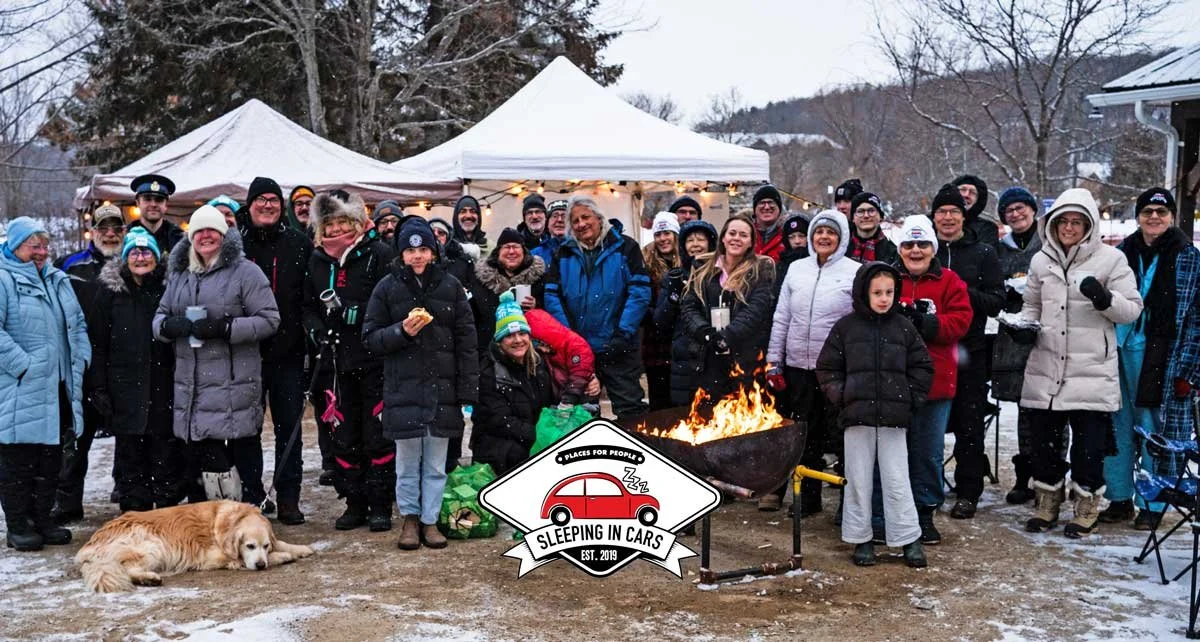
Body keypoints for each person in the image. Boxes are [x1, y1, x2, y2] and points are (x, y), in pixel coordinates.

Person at [1016, 188, 1142, 538]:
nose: (1069, 228)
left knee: (1090, 448)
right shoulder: (1041, 260)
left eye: (1077, 222)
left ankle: (1086, 508)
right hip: (1047, 366)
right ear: (1052, 224)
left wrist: (1104, 298)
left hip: (1091, 370)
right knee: (1044, 444)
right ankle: (1047, 504)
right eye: (1063, 221)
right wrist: (1025, 328)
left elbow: (1131, 309)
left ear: (1089, 225)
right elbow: (1032, 305)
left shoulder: (1111, 260)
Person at [363, 218, 478, 551]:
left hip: (442, 389)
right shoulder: (387, 287)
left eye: (423, 249)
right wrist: (402, 331)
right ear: (402, 253)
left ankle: (430, 520)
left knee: (436, 464)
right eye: (411, 250)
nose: (417, 256)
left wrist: (467, 391)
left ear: (434, 251)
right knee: (406, 463)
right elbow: (370, 337)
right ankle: (409, 520)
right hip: (404, 390)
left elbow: (467, 343)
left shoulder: (451, 286)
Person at [154, 206, 280, 505]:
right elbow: (158, 316)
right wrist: (169, 326)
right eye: (199, 231)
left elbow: (270, 319)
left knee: (241, 452)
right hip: (192, 385)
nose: (206, 236)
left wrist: (226, 328)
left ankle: (250, 512)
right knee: (201, 458)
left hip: (232, 383)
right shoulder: (181, 275)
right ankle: (207, 519)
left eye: (213, 230)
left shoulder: (246, 272)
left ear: (224, 236)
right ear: (191, 237)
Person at [817, 261, 934, 568]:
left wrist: (910, 397)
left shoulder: (904, 327)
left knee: (897, 478)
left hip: (895, 417)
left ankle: (908, 538)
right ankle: (861, 538)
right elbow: (827, 368)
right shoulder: (846, 328)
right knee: (858, 478)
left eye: (889, 292)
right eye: (877, 292)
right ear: (863, 293)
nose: (884, 298)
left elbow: (922, 366)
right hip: (857, 417)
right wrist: (842, 396)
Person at [1103, 188, 1200, 528]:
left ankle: (1152, 503)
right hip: (1118, 345)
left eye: (1161, 212)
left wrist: (1190, 368)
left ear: (1172, 217)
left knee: (1151, 428)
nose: (1154, 217)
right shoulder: (1121, 252)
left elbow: (1196, 318)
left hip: (1162, 352)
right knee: (1115, 423)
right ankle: (1118, 497)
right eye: (1147, 212)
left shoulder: (1188, 255)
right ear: (1139, 216)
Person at [303, 192, 397, 532]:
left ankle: (380, 503)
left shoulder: (379, 254)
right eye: (330, 223)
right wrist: (316, 331)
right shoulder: (316, 259)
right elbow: (307, 305)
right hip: (334, 364)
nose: (337, 228)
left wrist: (360, 312)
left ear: (356, 223)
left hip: (373, 361)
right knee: (343, 436)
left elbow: (390, 299)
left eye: (343, 222)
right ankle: (354, 501)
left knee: (377, 435)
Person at [881, 215, 972, 546]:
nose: (915, 251)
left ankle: (924, 511)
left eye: (922, 244)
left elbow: (962, 321)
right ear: (900, 248)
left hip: (935, 382)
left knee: (927, 451)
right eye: (908, 244)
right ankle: (890, 511)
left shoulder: (950, 281)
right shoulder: (888, 277)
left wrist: (927, 324)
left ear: (933, 248)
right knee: (891, 450)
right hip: (893, 381)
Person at [0, 217, 89, 551]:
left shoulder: (57, 279)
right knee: (19, 459)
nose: (40, 252)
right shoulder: (5, 279)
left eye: (43, 246)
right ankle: (19, 524)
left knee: (51, 457)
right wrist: (23, 365)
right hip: (21, 386)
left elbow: (76, 323)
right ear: (15, 246)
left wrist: (81, 357)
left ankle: (43, 518)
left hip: (58, 384)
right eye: (32, 245)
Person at [767, 210, 859, 513]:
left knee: (841, 434)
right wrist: (774, 361)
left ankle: (849, 503)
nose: (824, 237)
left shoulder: (854, 271)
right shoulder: (797, 269)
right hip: (797, 367)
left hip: (835, 368)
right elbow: (782, 318)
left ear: (842, 237)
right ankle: (807, 498)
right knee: (804, 434)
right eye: (819, 232)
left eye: (831, 232)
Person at [236, 176, 313, 524]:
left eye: (273, 200)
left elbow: (308, 295)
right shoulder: (234, 244)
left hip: (288, 353)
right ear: (249, 204)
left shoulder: (297, 243)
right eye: (260, 200)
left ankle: (288, 497)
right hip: (245, 353)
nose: (267, 205)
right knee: (247, 427)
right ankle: (252, 494)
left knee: (289, 428)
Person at [87, 229, 181, 512]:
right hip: (125, 391)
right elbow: (98, 344)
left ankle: (166, 518)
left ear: (156, 256)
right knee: (130, 458)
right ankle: (134, 515)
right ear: (126, 259)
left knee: (164, 457)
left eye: (147, 252)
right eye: (135, 253)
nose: (141, 258)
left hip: (163, 386)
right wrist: (99, 386)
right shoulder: (110, 294)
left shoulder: (169, 290)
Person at [930, 183, 1005, 519]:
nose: (948, 217)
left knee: (969, 423)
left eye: (954, 212)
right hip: (929, 350)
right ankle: (925, 486)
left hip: (969, 350)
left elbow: (997, 301)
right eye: (942, 212)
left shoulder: (983, 253)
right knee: (926, 423)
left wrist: (960, 291)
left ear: (964, 217)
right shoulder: (922, 249)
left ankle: (968, 491)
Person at [50, 203, 126, 524]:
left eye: (116, 228)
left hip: (123, 365)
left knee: (130, 433)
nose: (110, 234)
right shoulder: (69, 265)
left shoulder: (136, 259)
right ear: (92, 231)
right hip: (81, 365)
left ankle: (128, 491)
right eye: (103, 228)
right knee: (75, 436)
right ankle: (67, 501)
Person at [544, 195, 651, 420]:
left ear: (599, 218)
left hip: (619, 344)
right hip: (579, 348)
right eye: (575, 221)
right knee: (582, 412)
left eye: (586, 217)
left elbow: (639, 291)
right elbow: (552, 296)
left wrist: (624, 332)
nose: (581, 224)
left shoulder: (625, 247)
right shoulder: (563, 253)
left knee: (630, 408)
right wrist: (569, 337)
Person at [990, 186, 1052, 505]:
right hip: (1012, 336)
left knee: (1051, 409)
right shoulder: (1000, 250)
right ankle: (1025, 475)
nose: (1016, 214)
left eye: (1020, 208)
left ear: (1032, 210)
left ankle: (1050, 478)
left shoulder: (1049, 243)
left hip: (1048, 334)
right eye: (1009, 210)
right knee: (1024, 411)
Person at [678, 213, 776, 400]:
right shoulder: (702, 267)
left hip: (744, 358)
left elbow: (756, 310)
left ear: (750, 242)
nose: (736, 239)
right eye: (732, 233)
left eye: (743, 235)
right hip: (708, 357)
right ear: (723, 238)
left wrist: (727, 336)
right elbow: (689, 306)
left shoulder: (760, 270)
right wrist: (706, 333)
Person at [472, 292, 557, 476]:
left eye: (522, 333)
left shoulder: (538, 364)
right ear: (500, 342)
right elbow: (499, 421)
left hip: (531, 438)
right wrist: (542, 436)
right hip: (498, 447)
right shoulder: (488, 372)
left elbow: (551, 402)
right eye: (509, 336)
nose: (518, 340)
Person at [658, 219, 719, 406]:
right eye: (690, 240)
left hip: (714, 351)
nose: (695, 245)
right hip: (684, 356)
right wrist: (673, 297)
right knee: (686, 413)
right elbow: (661, 322)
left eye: (700, 239)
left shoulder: (721, 274)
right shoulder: (674, 276)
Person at [470, 227, 547, 352]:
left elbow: (549, 312)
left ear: (524, 251)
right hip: (490, 350)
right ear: (498, 252)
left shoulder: (538, 279)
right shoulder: (481, 280)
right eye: (506, 247)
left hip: (529, 349)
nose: (511, 251)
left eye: (516, 247)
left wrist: (536, 305)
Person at [642, 212, 682, 410]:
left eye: (667, 233)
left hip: (681, 338)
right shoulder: (645, 262)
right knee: (659, 399)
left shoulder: (686, 261)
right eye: (658, 234)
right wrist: (656, 315)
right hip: (655, 341)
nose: (663, 239)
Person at [526, 307, 600, 405]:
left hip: (579, 397)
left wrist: (568, 401)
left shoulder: (576, 344)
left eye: (544, 344)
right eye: (537, 344)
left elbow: (580, 374)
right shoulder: (539, 352)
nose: (543, 349)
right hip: (556, 397)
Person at [127, 173, 185, 252]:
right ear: (137, 203)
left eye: (159, 200)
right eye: (147, 199)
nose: (153, 204)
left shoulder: (179, 238)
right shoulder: (125, 235)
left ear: (166, 205)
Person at [846, 192, 897, 264]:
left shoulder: (893, 252)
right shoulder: (843, 249)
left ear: (880, 217)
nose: (866, 215)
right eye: (860, 211)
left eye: (871, 211)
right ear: (853, 218)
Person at [953, 174, 1000, 248]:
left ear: (978, 199)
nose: (966, 195)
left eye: (972, 192)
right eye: (962, 190)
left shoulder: (987, 229)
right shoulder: (934, 222)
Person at [752, 185, 786, 262]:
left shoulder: (788, 234)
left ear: (779, 208)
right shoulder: (746, 234)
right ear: (755, 209)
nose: (767, 207)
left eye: (771, 202)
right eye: (762, 203)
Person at [532, 199, 570, 267]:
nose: (559, 220)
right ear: (547, 223)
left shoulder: (581, 251)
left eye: (564, 216)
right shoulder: (536, 254)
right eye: (555, 216)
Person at [451, 195, 488, 260]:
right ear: (456, 217)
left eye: (473, 211)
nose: (468, 216)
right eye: (463, 211)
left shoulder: (490, 247)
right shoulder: (449, 246)